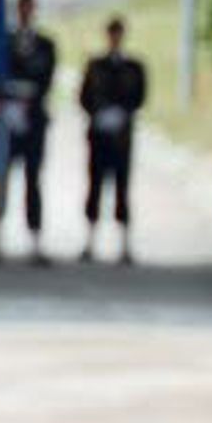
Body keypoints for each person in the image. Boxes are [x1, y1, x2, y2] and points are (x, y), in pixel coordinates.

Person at [0, 0, 58, 266]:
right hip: (8, 119)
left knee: (32, 180)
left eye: (30, 8)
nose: (26, 12)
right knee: (2, 179)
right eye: (22, 8)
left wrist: (28, 96)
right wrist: (7, 98)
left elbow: (48, 79)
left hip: (33, 119)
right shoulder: (5, 43)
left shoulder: (46, 45)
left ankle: (35, 242)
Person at [77, 15, 147, 264]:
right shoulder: (95, 65)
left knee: (122, 188)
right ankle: (89, 241)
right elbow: (84, 97)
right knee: (95, 186)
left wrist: (121, 114)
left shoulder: (134, 67)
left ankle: (124, 245)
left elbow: (139, 97)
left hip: (121, 136)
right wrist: (99, 113)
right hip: (99, 135)